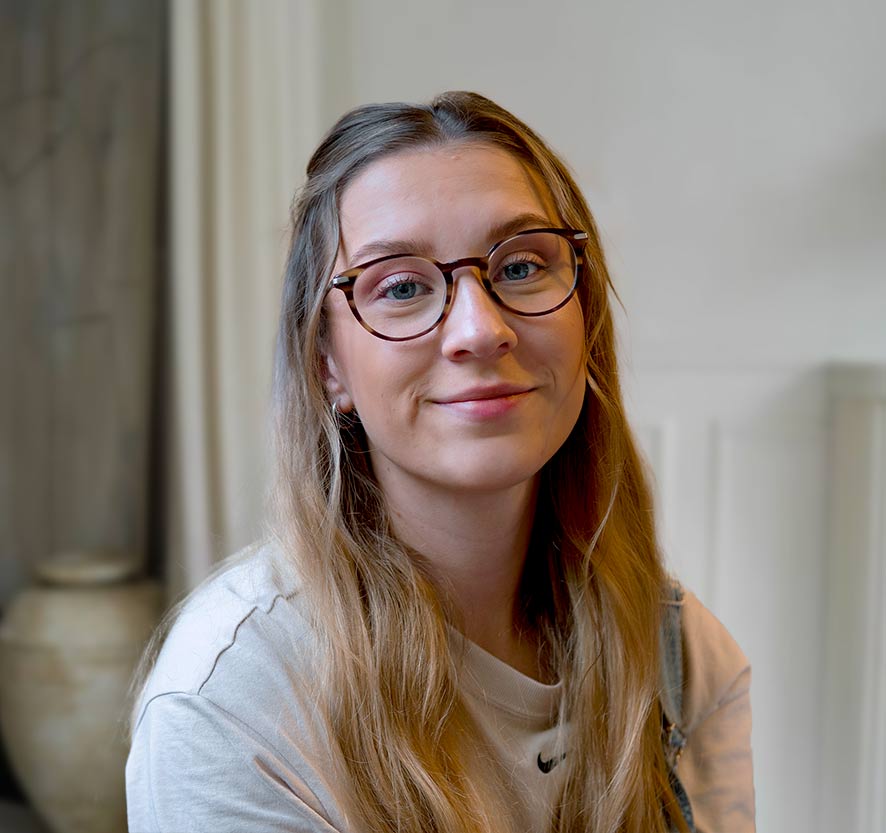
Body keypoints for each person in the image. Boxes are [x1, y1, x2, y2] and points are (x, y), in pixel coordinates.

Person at [126, 91, 754, 833]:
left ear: (584, 315)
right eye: (401, 286)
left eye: (521, 266)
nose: (480, 330)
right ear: (328, 363)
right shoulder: (233, 704)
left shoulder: (680, 655)